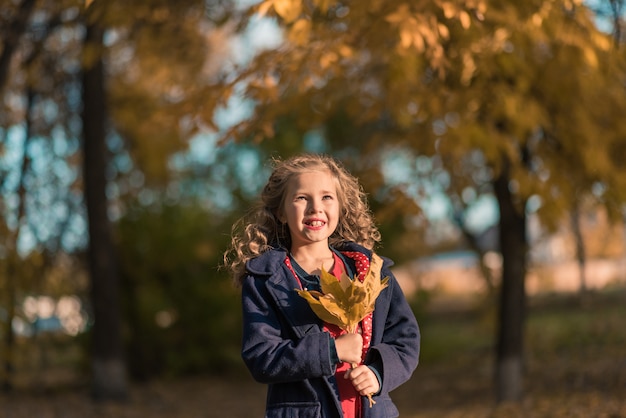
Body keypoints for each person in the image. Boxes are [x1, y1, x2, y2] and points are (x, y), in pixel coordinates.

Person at [224, 153, 420, 418]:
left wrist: (379, 373)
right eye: (301, 198)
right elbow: (262, 357)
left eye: (327, 197)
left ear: (340, 206)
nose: (315, 207)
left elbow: (405, 339)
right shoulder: (264, 280)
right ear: (281, 212)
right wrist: (331, 350)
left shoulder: (368, 270)